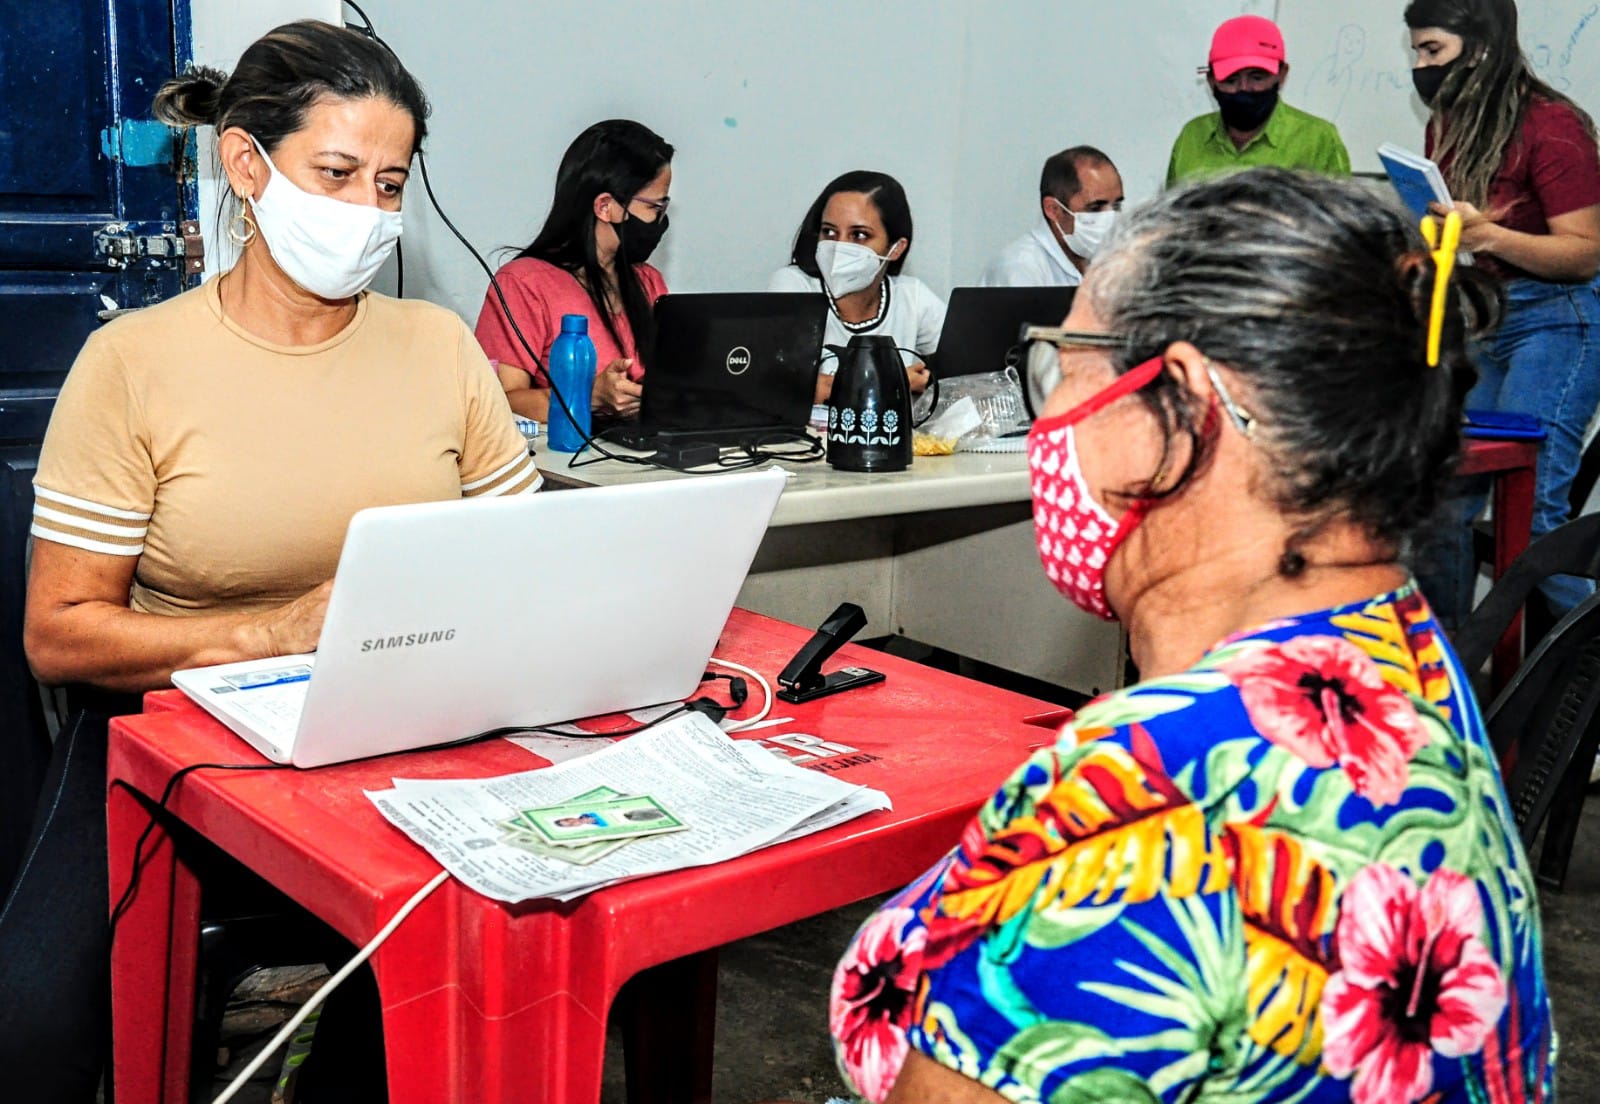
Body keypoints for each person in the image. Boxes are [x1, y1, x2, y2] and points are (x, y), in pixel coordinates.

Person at [827, 169, 1553, 1103]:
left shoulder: (1150, 799)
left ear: (1182, 404)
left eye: (1062, 366)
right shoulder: (1400, 646)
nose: (1049, 421)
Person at [6, 21, 536, 1102]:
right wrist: (270, 633)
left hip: (401, 726)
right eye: (336, 174)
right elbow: (60, 632)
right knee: (28, 1027)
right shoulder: (135, 363)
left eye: (390, 184)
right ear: (248, 165)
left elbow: (524, 564)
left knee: (443, 986)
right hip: (169, 734)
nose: (370, 213)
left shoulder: (438, 350)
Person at [1406, 0, 1600, 628]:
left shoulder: (1552, 124)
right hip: (1487, 323)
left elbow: (1584, 254)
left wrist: (1484, 237)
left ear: (1480, 47)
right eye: (1416, 50)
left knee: (1536, 514)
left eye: (1432, 50)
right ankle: (1450, 678)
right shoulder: (1450, 124)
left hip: (1557, 320)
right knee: (1441, 502)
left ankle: (1585, 686)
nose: (1421, 65)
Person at [475, 119, 673, 422]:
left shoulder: (648, 282)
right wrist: (588, 396)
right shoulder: (523, 284)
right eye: (654, 208)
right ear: (605, 206)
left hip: (646, 457)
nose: (660, 220)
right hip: (565, 463)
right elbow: (498, 403)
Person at [768, 171, 945, 413]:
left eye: (859, 235)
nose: (840, 247)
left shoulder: (911, 296)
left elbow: (963, 374)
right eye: (829, 232)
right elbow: (789, 387)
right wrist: (895, 381)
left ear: (895, 248)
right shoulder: (794, 287)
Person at [1166, 15, 1351, 186]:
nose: (1244, 88)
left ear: (1282, 75)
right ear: (1211, 81)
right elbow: (1171, 218)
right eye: (1231, 80)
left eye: (1257, 77)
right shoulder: (1191, 137)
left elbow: (1342, 218)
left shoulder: (1318, 140)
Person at [979, 146, 1124, 288]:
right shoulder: (1019, 269)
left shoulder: (1110, 263)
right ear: (1053, 209)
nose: (1110, 218)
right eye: (1095, 208)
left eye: (1116, 206)